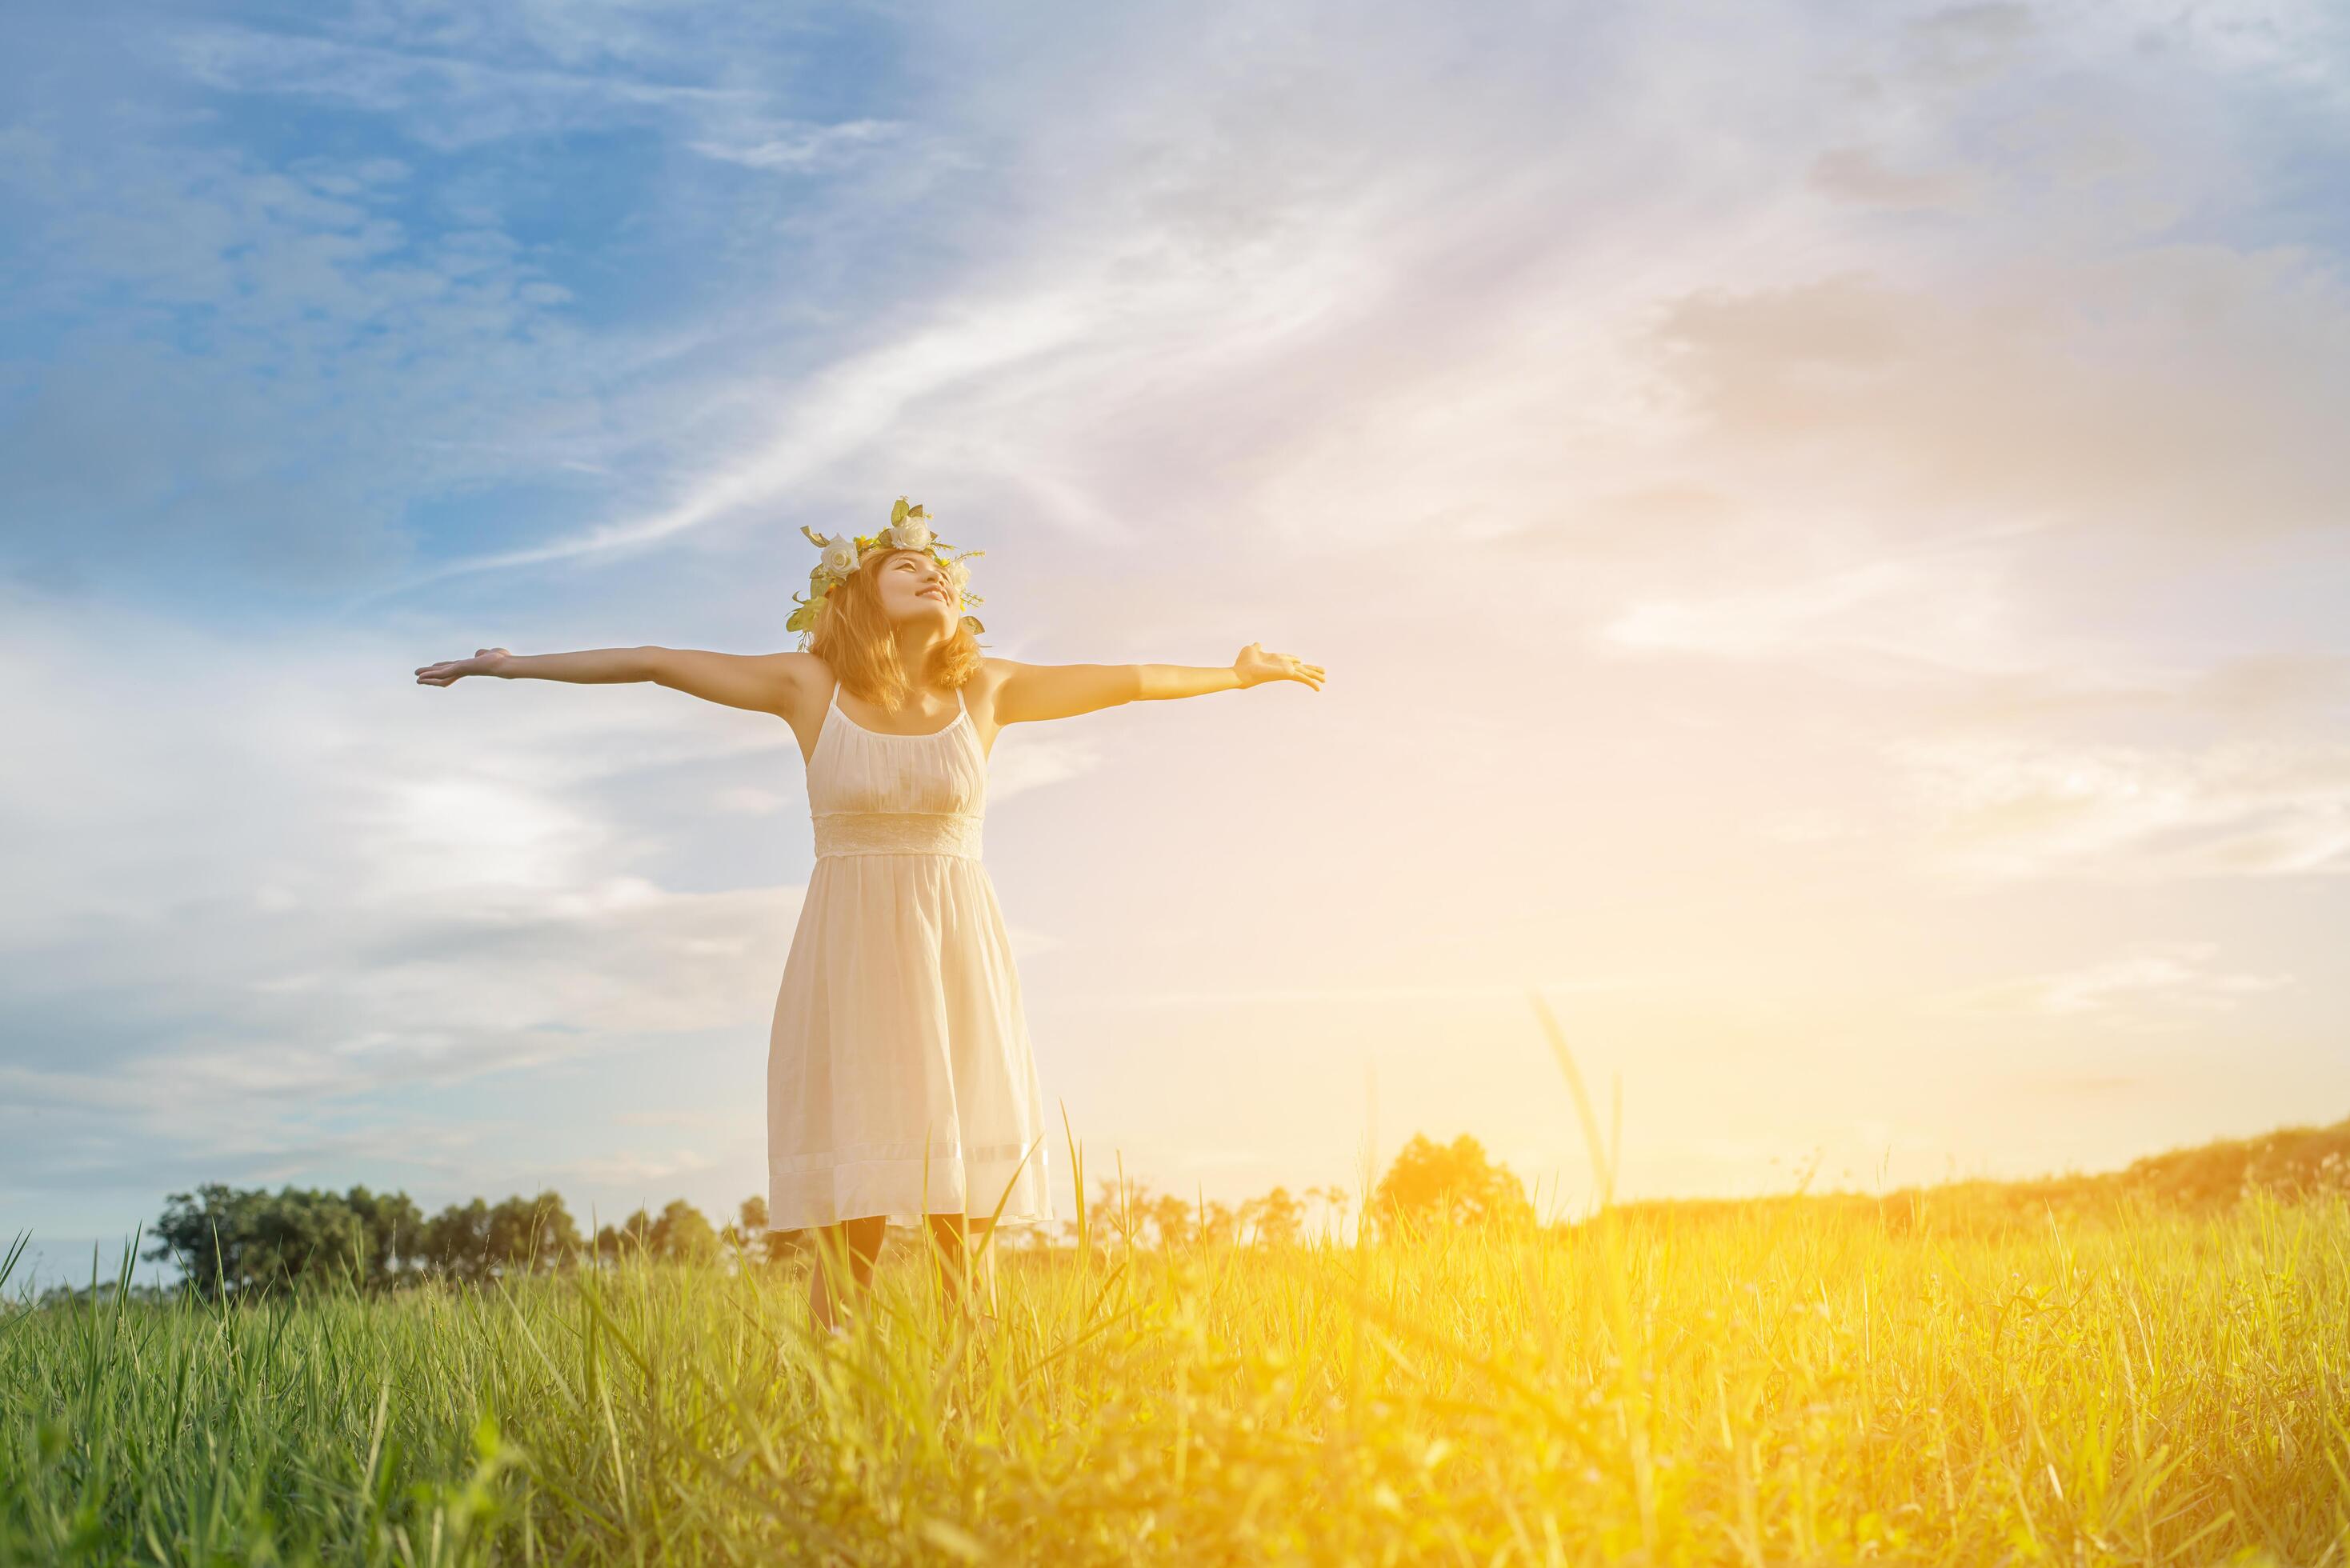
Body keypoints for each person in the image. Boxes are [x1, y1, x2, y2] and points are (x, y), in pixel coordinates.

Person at [416, 498, 1324, 1334]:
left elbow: (1126, 678)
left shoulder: (989, 692)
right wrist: (509, 666)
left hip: (956, 953)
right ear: (856, 596)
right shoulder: (810, 688)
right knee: (853, 1214)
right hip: (851, 956)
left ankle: (974, 1413)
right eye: (904, 568)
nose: (933, 575)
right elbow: (655, 663)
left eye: (941, 571)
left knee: (960, 1213)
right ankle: (829, 1408)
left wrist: (1238, 677)